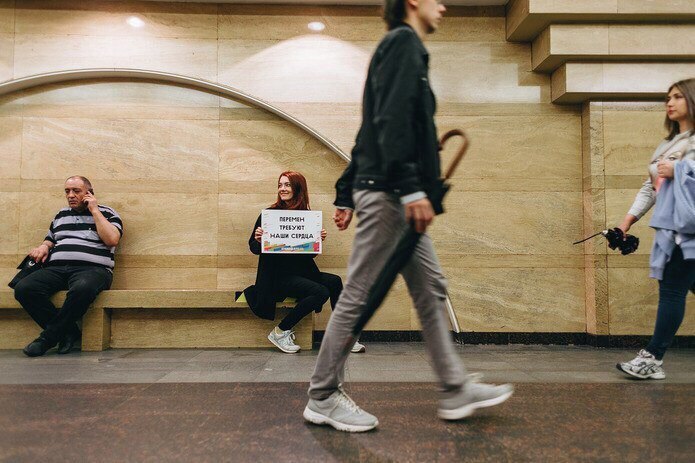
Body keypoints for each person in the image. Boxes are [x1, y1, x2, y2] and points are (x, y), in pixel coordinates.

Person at [303, 0, 513, 433]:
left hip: (390, 190)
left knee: (430, 286)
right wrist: (410, 185)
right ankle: (323, 395)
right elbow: (389, 120)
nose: (444, 6)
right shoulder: (404, 44)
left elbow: (370, 130)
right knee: (360, 292)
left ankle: (455, 388)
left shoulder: (400, 48)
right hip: (391, 194)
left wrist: (346, 190)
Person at [617, 78, 695, 380]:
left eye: (678, 96)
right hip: (673, 230)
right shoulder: (667, 144)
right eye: (668, 97)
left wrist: (680, 169)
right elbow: (650, 188)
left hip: (688, 232)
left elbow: (677, 176)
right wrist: (626, 222)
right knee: (676, 287)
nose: (670, 102)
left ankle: (652, 358)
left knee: (672, 290)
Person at [244, 171, 365, 354]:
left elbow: (307, 256)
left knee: (335, 281)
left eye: (287, 185)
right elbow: (253, 248)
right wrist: (259, 240)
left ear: (298, 188)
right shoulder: (269, 215)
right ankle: (280, 331)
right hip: (277, 277)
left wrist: (315, 242)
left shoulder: (306, 217)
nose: (282, 189)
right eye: (280, 185)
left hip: (300, 272)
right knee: (321, 291)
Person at [14, 176, 123, 357]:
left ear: (89, 193)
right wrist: (43, 246)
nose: (70, 195)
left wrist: (94, 210)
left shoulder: (108, 213)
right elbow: (51, 238)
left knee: (83, 288)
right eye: (67, 191)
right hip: (57, 268)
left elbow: (112, 239)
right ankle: (68, 332)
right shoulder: (61, 214)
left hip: (93, 270)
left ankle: (46, 339)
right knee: (24, 288)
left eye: (76, 191)